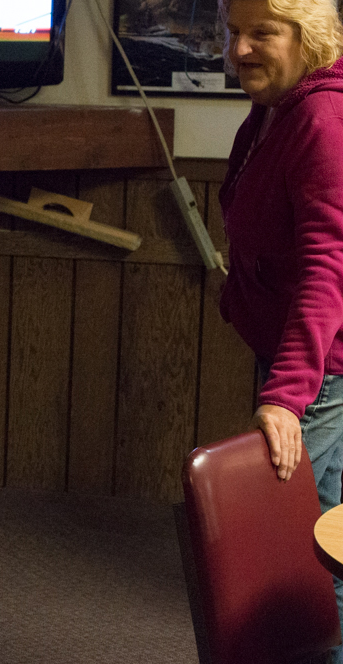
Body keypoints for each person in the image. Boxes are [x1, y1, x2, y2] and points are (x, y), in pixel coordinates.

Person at [219, 0, 343, 653]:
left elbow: (329, 267)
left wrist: (287, 393)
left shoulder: (321, 119)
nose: (239, 50)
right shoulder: (278, 107)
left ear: (309, 36)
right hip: (301, 355)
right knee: (327, 538)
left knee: (309, 558)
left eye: (261, 33)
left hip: (318, 369)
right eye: (233, 32)